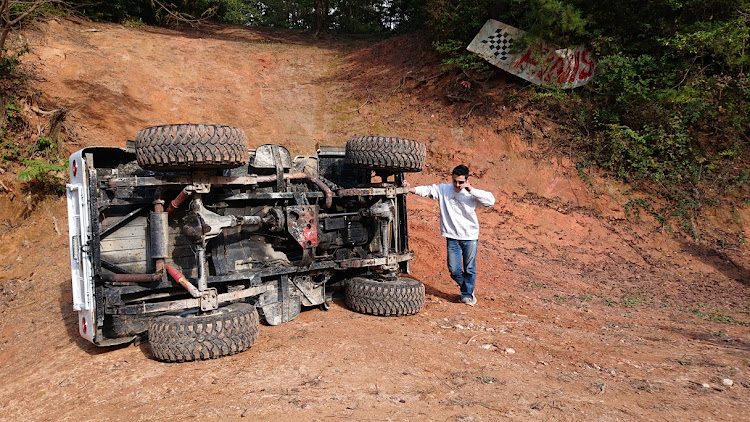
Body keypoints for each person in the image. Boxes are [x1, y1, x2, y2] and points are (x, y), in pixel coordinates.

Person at [403, 165, 495, 306]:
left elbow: (490, 201)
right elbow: (427, 190)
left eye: (460, 182)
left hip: (470, 236)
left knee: (469, 268)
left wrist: (471, 190)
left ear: (466, 180)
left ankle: (467, 295)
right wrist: (410, 189)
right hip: (452, 236)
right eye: (454, 181)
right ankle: (468, 288)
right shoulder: (444, 189)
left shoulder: (471, 193)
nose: (457, 185)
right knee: (454, 270)